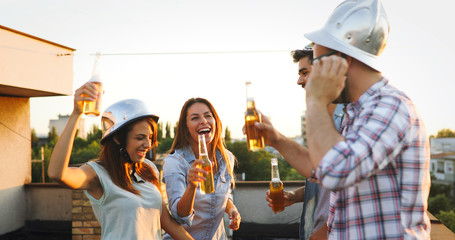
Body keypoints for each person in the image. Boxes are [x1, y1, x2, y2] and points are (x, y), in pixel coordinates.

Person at [303, 0, 431, 238]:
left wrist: (315, 101)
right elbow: (325, 169)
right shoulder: (359, 111)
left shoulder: (391, 105)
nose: (314, 77)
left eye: (318, 63)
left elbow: (335, 172)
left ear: (341, 59)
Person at [48, 82, 193, 240]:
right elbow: (57, 173)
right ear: (118, 138)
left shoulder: (149, 169)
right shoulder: (97, 173)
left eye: (150, 137)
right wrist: (76, 113)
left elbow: (168, 223)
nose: (148, 144)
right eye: (140, 138)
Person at [263, 45, 344, 240]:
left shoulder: (350, 118)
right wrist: (294, 196)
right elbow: (324, 177)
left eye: (304, 72)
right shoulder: (323, 119)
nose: (299, 81)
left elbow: (351, 190)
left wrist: (323, 233)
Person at [162, 97, 241, 240]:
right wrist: (192, 185)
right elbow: (180, 217)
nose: (203, 121)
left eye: (208, 116)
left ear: (215, 121)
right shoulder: (174, 162)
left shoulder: (226, 158)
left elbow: (223, 192)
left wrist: (231, 208)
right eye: (195, 118)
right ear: (185, 127)